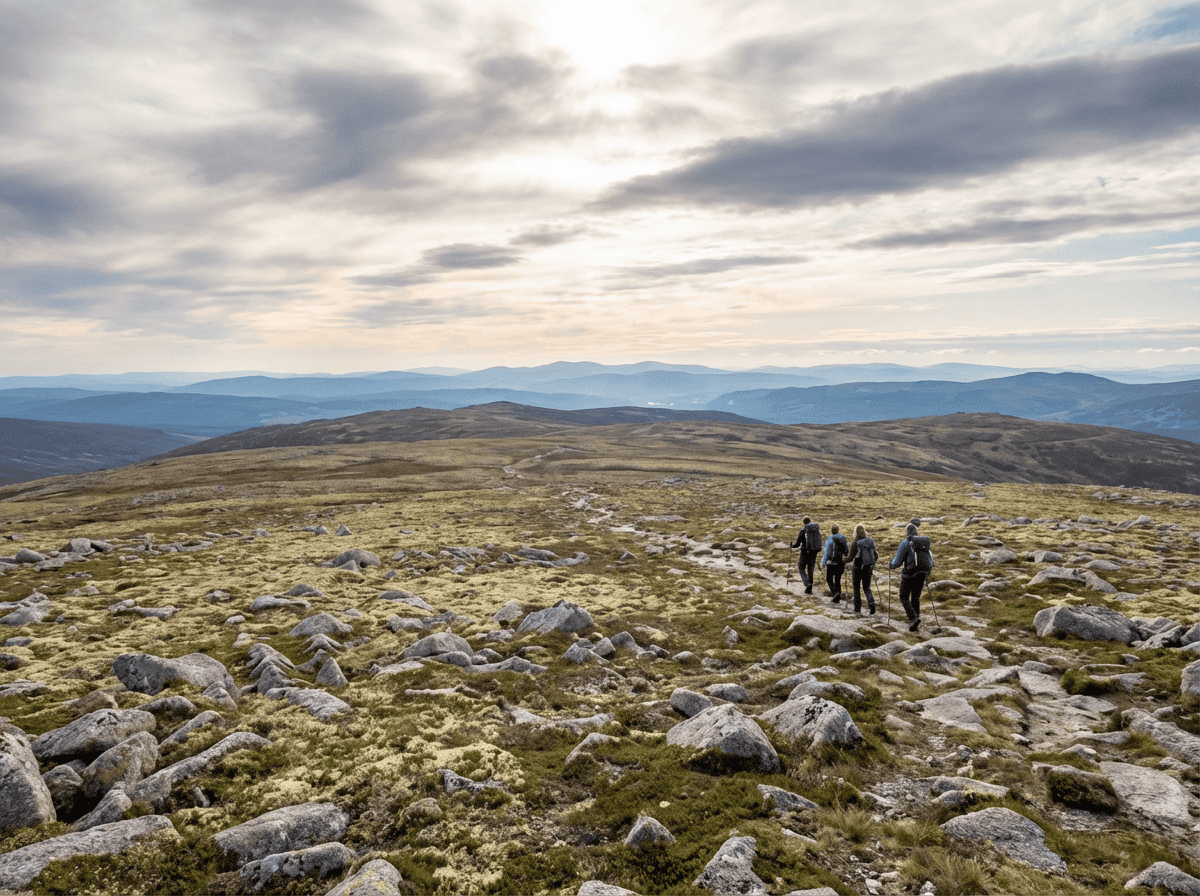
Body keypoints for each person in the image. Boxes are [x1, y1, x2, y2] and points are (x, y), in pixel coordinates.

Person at [889, 523, 935, 631]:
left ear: (907, 532)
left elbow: (897, 562)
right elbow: (930, 560)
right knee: (916, 597)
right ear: (916, 531)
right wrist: (927, 573)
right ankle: (916, 620)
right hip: (922, 574)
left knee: (903, 596)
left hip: (909, 575)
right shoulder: (924, 544)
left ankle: (913, 618)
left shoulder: (905, 543)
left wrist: (890, 565)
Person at [846, 524, 877, 614]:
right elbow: (876, 555)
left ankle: (857, 608)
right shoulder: (869, 541)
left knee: (856, 587)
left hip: (857, 568)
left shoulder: (855, 542)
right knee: (866, 587)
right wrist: (871, 564)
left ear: (855, 532)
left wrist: (843, 560)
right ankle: (871, 604)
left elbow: (850, 558)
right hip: (868, 568)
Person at [790, 516, 822, 594]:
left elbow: (797, 544)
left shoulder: (803, 531)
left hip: (804, 552)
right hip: (814, 552)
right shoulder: (816, 530)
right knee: (811, 569)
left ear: (804, 522)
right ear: (810, 521)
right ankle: (810, 586)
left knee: (801, 567)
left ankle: (807, 584)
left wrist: (791, 546)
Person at [822, 524, 848, 603]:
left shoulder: (830, 539)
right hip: (840, 563)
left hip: (831, 563)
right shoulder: (843, 538)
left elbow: (826, 552)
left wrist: (823, 563)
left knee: (829, 579)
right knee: (837, 580)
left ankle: (835, 594)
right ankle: (838, 595)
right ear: (838, 530)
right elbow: (847, 551)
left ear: (831, 531)